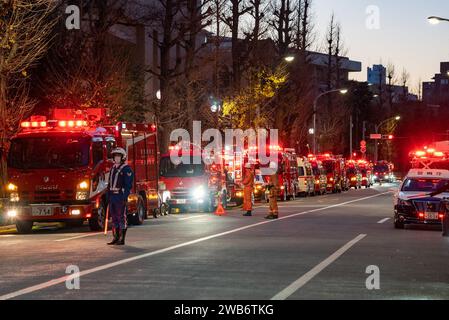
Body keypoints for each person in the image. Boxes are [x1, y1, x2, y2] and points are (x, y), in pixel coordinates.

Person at [107, 147, 134, 245]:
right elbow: (109, 183)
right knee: (114, 217)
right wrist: (108, 196)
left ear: (122, 157)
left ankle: (122, 239)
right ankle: (115, 237)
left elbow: (128, 185)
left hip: (120, 196)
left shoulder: (126, 169)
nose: (116, 158)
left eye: (118, 156)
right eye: (115, 156)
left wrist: (125, 197)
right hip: (112, 196)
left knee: (121, 217)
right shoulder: (113, 168)